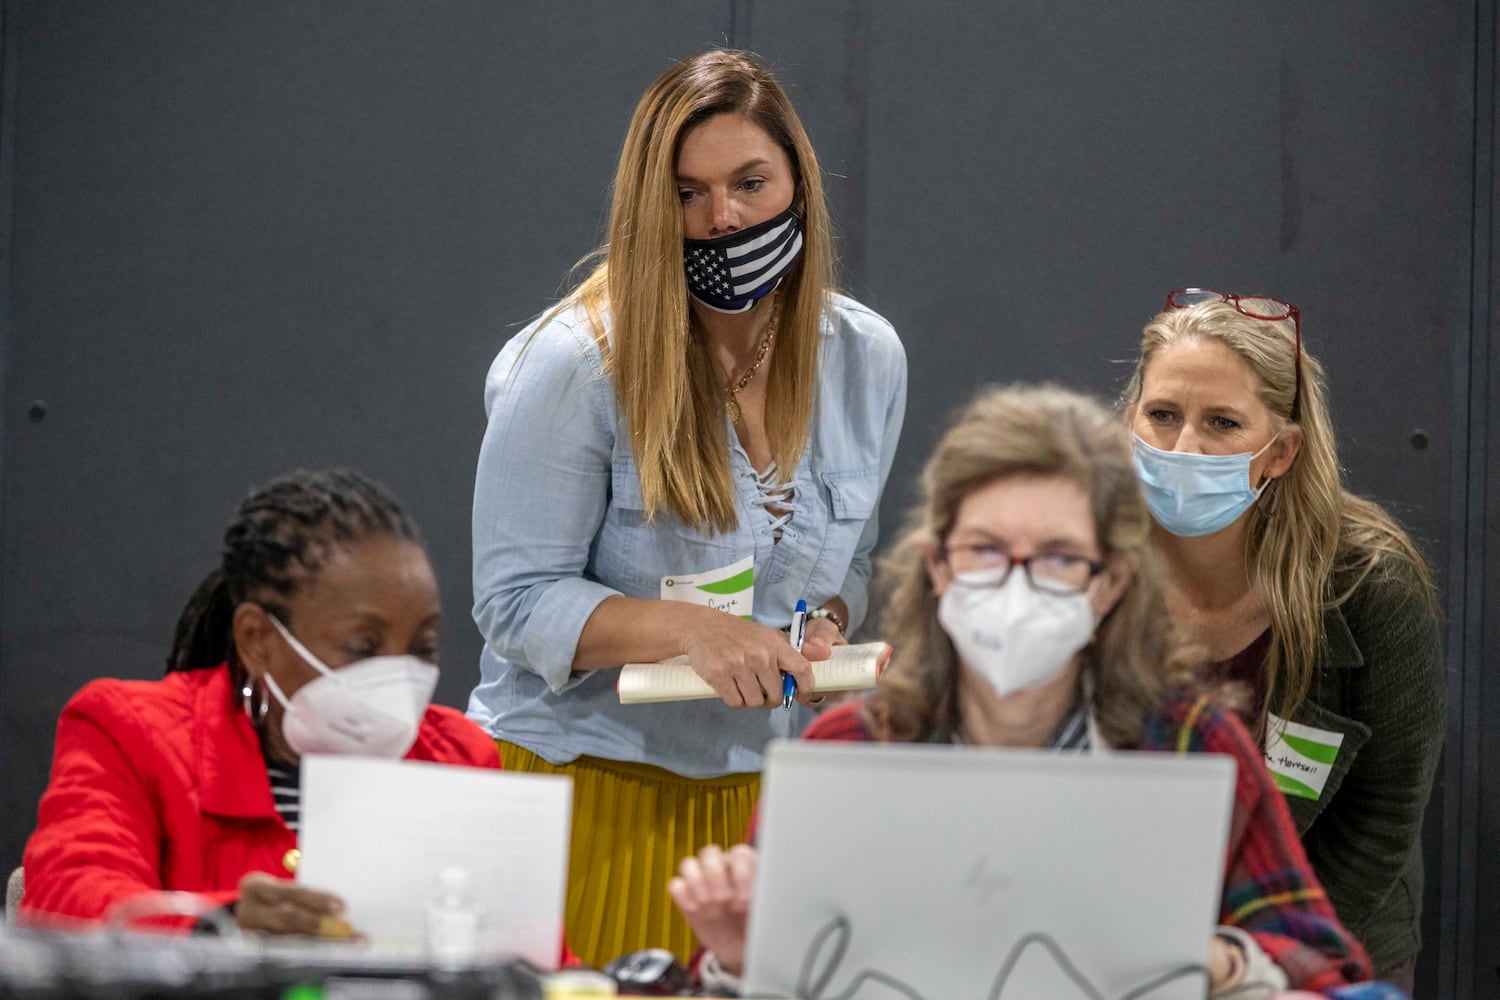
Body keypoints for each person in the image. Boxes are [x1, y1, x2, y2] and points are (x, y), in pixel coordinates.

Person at [671, 385, 1375, 997]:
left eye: (1059, 557)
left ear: (1111, 583)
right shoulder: (850, 750)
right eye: (983, 550)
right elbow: (742, 974)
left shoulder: (1189, 749)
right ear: (938, 568)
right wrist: (738, 958)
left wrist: (1214, 962)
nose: (1015, 581)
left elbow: (1329, 973)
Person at [467, 49, 906, 965]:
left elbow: (847, 566)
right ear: (648, 206)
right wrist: (687, 631)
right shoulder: (574, 362)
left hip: (756, 807)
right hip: (575, 786)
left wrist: (821, 625)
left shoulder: (868, 358)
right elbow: (513, 601)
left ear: (801, 184)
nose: (726, 218)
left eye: (751, 182)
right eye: (689, 194)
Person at [22, 468, 502, 936]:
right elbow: (65, 901)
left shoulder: (458, 756)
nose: (398, 677)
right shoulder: (130, 731)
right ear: (258, 641)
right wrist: (223, 925)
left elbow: (532, 954)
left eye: (421, 648)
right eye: (362, 647)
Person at [1123, 291, 1444, 988]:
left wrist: (1260, 965)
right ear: (1129, 421)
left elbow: (1383, 818)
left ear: (1280, 451)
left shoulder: (1369, 588)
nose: (1184, 447)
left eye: (1223, 423)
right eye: (1163, 415)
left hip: (1328, 939)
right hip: (1130, 943)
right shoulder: (1088, 564)